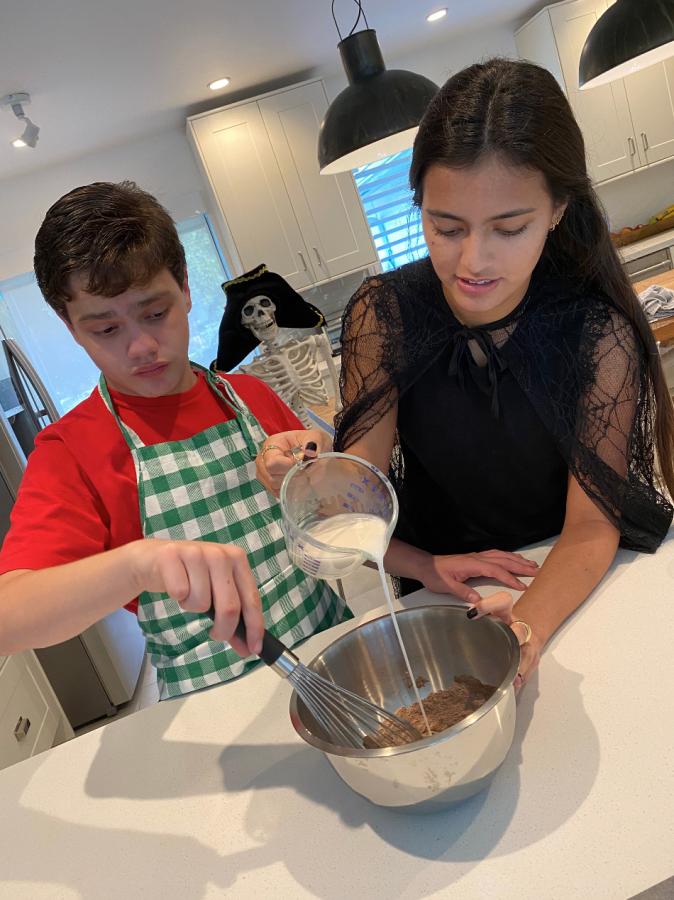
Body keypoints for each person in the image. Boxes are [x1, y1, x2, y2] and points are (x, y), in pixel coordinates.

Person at [258, 59, 674, 691]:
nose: (473, 262)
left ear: (559, 209)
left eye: (510, 228)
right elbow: (356, 492)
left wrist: (522, 630)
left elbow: (591, 526)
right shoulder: (384, 314)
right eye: (446, 228)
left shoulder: (596, 330)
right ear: (419, 203)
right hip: (449, 584)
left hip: (573, 580)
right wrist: (304, 477)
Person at [0, 181, 348, 699]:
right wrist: (137, 563)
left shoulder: (250, 394)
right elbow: (11, 616)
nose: (140, 346)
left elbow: (335, 520)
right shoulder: (72, 450)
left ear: (185, 287)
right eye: (105, 329)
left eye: (155, 313)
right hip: (212, 708)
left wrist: (320, 477)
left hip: (335, 661)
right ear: (71, 327)